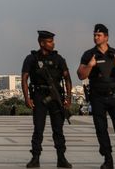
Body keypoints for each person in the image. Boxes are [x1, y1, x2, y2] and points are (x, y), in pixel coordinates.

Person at [77, 24, 115, 169]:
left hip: (114, 97)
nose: (95, 37)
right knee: (101, 129)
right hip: (97, 97)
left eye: (98, 35)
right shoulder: (89, 54)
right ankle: (108, 159)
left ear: (106, 37)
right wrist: (90, 65)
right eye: (94, 35)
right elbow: (81, 75)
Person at [22, 30, 73, 168]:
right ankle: (35, 158)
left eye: (52, 41)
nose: (53, 44)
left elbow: (67, 79)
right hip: (39, 96)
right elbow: (24, 78)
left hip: (56, 97)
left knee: (58, 129)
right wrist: (27, 98)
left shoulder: (59, 59)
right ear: (41, 43)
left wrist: (68, 98)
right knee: (38, 128)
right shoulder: (31, 59)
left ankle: (61, 158)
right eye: (50, 41)